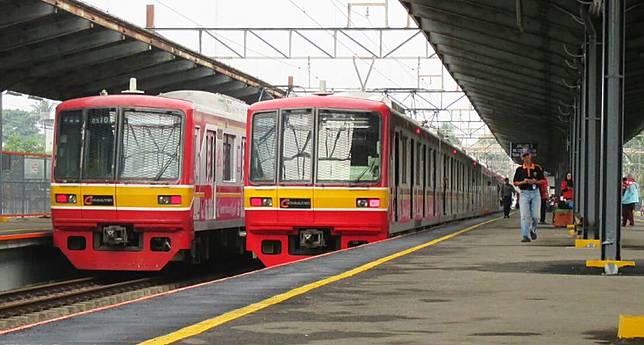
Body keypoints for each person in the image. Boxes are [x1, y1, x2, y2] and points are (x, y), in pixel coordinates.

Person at [513, 149, 545, 243]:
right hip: (524, 193)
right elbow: (515, 182)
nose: (526, 158)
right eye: (524, 156)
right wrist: (523, 182)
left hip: (535, 193)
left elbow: (543, 181)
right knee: (524, 216)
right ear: (522, 158)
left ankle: (533, 229)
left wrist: (535, 181)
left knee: (536, 216)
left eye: (527, 155)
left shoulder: (537, 168)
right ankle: (525, 235)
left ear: (530, 156)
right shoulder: (519, 169)